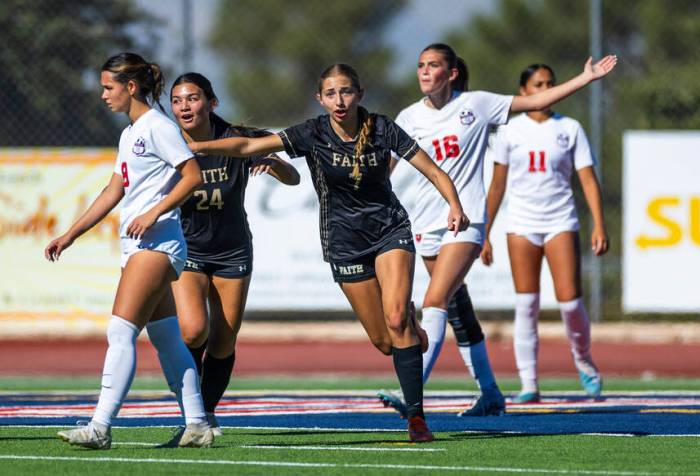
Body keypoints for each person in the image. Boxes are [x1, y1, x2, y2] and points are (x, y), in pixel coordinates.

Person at [188, 63, 466, 443]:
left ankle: (416, 419)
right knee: (385, 341)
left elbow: (432, 170)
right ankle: (409, 328)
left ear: (360, 94)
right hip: (343, 243)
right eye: (331, 93)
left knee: (396, 316)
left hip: (390, 231)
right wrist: (198, 147)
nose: (340, 100)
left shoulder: (383, 128)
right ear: (320, 99)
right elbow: (250, 145)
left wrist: (454, 205)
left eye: (347, 91)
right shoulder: (312, 132)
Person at [381, 43, 617, 417]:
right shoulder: (408, 117)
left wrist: (586, 78)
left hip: (467, 219)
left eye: (434, 65)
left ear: (452, 72)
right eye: (420, 65)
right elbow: (385, 170)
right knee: (458, 311)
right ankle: (490, 392)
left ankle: (411, 388)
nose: (425, 72)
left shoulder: (476, 104)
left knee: (434, 300)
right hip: (426, 224)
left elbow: (537, 102)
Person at [46, 52, 213, 449]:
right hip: (138, 245)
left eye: (109, 87)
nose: (104, 95)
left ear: (131, 87)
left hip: (158, 243)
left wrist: (155, 211)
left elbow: (192, 175)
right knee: (167, 339)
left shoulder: (158, 126)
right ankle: (198, 424)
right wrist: (71, 234)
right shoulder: (130, 133)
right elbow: (114, 190)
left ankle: (99, 427)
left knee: (120, 330)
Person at [170, 72, 300, 435]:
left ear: (212, 103)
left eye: (193, 98)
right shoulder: (167, 142)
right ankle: (192, 411)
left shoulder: (237, 139)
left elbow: (294, 178)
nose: (185, 106)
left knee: (223, 340)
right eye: (177, 100)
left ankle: (204, 413)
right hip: (188, 249)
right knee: (194, 330)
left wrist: (272, 162)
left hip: (232, 251)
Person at [481, 64, 609, 403]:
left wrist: (599, 222)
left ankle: (583, 360)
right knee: (527, 303)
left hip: (560, 220)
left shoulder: (570, 128)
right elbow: (497, 185)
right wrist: (485, 231)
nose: (546, 89)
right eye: (538, 84)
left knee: (570, 302)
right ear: (523, 91)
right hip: (521, 223)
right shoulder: (509, 131)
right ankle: (529, 383)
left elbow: (587, 179)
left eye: (550, 83)